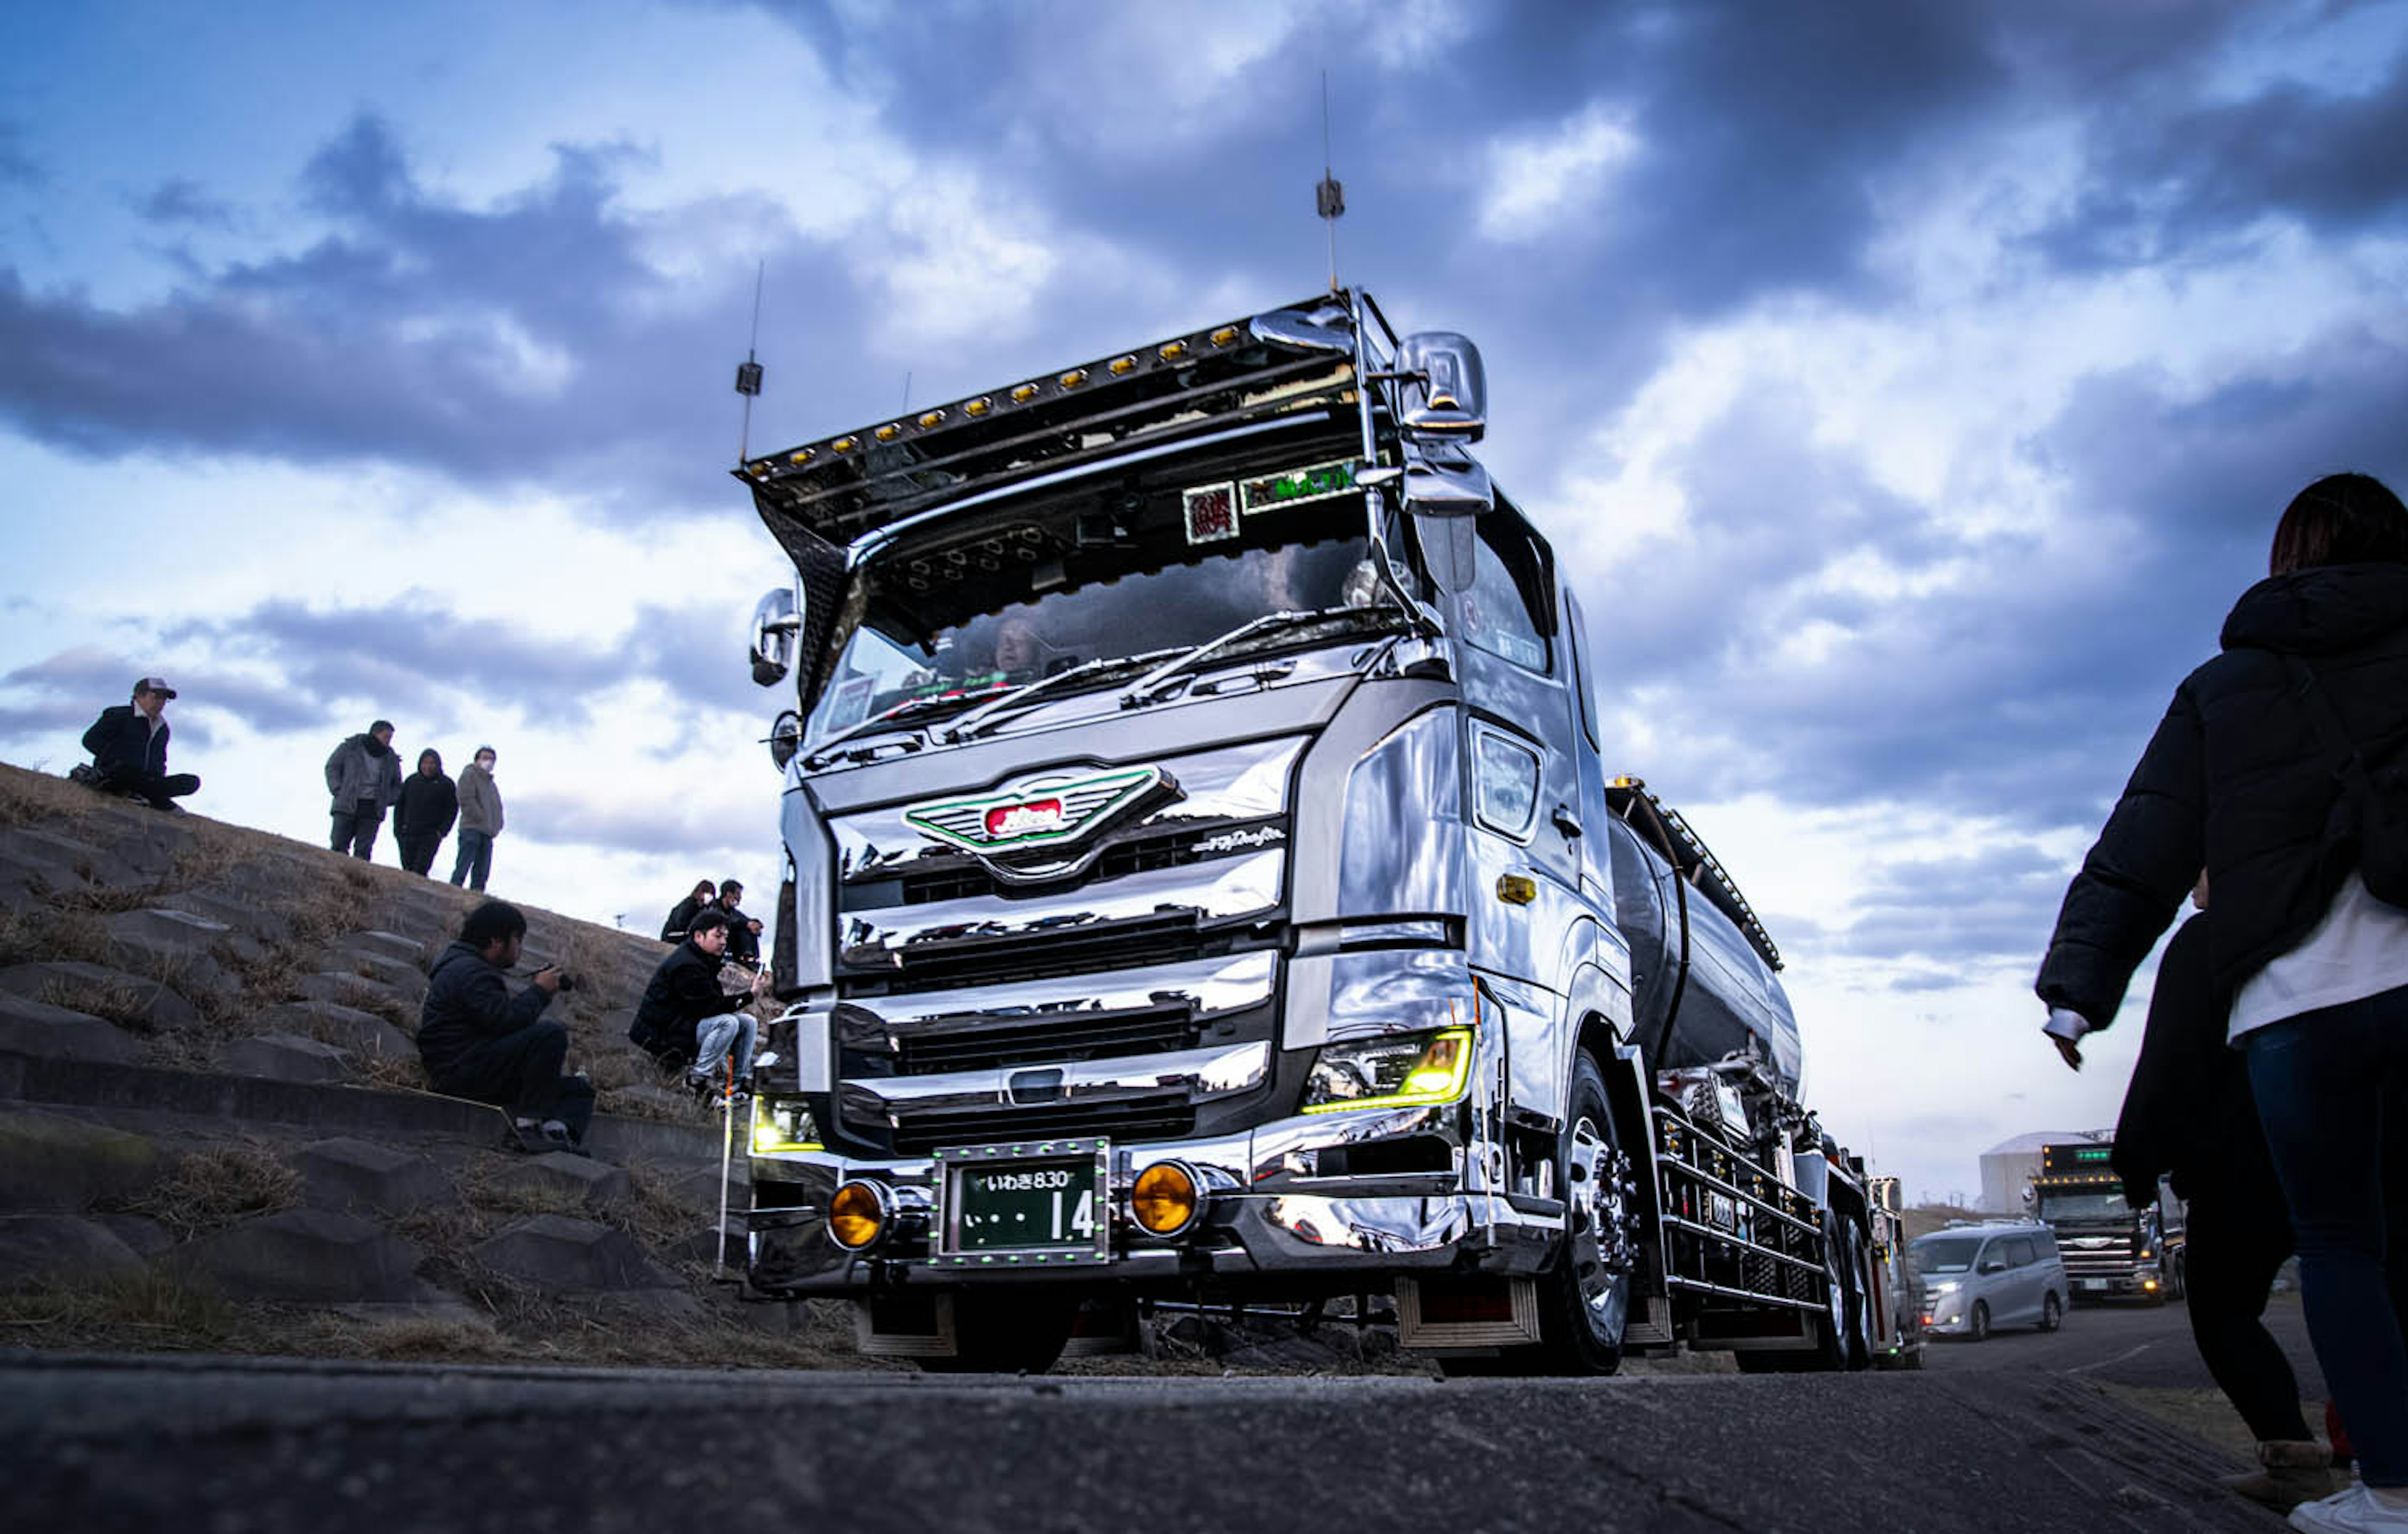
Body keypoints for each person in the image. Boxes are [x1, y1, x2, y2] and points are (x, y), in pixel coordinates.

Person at [2037, 473, 2408, 1533]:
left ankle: (2391, 1492)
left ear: (2288, 560)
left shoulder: (2224, 687)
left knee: (2342, 1245)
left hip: (2299, 1001)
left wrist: (2076, 992)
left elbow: (2145, 840)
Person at [2113, 876, 2408, 1510]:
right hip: (2366, 1153)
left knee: (2223, 1308)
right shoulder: (2359, 929)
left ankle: (2298, 1460)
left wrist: (2137, 1156)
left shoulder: (2212, 939)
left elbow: (2169, 1058)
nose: (2191, 885)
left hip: (2242, 1167)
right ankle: (2388, 1469)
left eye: (2201, 864)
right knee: (2372, 1287)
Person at [417, 900, 593, 1153]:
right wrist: (540, 992)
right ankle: (528, 1129)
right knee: (550, 1034)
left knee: (578, 1090)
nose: (520, 949)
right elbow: (503, 1022)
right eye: (518, 941)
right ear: (497, 942)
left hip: (473, 1065)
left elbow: (496, 1022)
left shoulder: (465, 967)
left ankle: (557, 1135)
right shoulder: (470, 971)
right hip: (459, 1071)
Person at [630, 908, 771, 1099]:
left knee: (748, 1022)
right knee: (728, 1023)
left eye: (726, 937)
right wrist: (750, 995)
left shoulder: (704, 960)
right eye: (718, 936)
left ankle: (736, 1085)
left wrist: (748, 995)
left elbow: (711, 1003)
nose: (723, 942)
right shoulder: (687, 965)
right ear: (698, 936)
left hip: (684, 1024)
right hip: (664, 1035)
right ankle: (697, 1081)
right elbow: (711, 1007)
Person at [75, 676, 198, 809]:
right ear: (139, 696)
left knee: (191, 782)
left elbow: (160, 759)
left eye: (164, 698)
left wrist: (157, 777)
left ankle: (147, 794)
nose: (160, 702)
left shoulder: (162, 728)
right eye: (156, 696)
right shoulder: (118, 715)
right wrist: (115, 759)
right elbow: (90, 740)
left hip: (148, 780)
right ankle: (149, 797)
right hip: (116, 774)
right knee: (128, 771)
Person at [325, 720, 404, 860]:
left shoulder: (391, 758)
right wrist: (338, 789)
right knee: (338, 847)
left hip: (372, 809)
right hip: (346, 804)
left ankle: (357, 881)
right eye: (386, 737)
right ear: (375, 734)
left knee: (363, 851)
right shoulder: (351, 748)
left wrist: (387, 799)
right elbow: (332, 767)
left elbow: (397, 785)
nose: (389, 741)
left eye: (390, 738)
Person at [392, 748, 458, 878]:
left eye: (432, 763)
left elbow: (452, 810)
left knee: (420, 871)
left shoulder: (447, 784)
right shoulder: (411, 781)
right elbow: (400, 806)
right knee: (407, 869)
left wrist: (442, 831)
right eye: (425, 763)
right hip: (407, 834)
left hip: (430, 836)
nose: (428, 766)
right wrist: (398, 830)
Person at [450, 745, 502, 891]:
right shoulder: (469, 775)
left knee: (482, 869)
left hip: (487, 832)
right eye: (485, 758)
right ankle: (454, 889)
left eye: (492, 759)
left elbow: (497, 807)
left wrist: (498, 824)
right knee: (464, 864)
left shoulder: (492, 785)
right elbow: (466, 799)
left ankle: (477, 895)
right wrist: (479, 817)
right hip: (471, 828)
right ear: (477, 760)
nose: (489, 762)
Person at [715, 878, 763, 968]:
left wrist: (755, 925)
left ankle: (751, 959)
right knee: (742, 929)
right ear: (729, 894)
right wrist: (746, 924)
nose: (740, 898)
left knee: (749, 928)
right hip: (719, 944)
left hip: (732, 947)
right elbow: (723, 922)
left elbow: (745, 920)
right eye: (738, 894)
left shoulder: (733, 912)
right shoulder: (714, 907)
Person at [660, 879, 717, 944]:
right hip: (673, 936)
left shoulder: (705, 909)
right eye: (707, 893)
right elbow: (681, 924)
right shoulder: (689, 904)